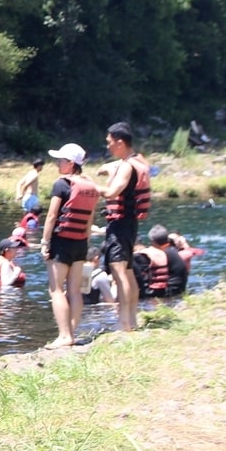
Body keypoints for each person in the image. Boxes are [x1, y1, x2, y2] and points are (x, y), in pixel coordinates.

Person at [39, 142, 97, 348]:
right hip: (81, 243)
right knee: (74, 290)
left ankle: (64, 336)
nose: (57, 164)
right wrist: (86, 240)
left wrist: (45, 242)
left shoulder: (61, 184)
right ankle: (71, 332)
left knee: (56, 289)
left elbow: (52, 215)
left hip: (62, 242)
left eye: (60, 161)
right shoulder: (90, 186)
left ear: (71, 164)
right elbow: (89, 219)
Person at [97, 121, 151, 332]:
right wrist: (110, 169)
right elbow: (115, 170)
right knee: (127, 271)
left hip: (120, 223)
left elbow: (113, 192)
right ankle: (132, 321)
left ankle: (125, 324)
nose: (108, 146)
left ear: (120, 142)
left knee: (119, 273)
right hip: (130, 223)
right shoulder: (138, 161)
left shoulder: (127, 166)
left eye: (109, 143)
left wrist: (90, 187)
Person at [134, 225, 189, 298]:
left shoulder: (161, 253)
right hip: (180, 289)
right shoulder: (172, 251)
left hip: (170, 292)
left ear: (153, 241)